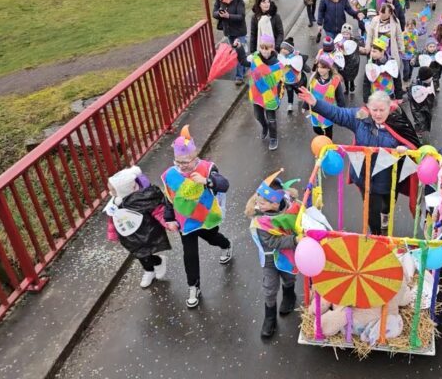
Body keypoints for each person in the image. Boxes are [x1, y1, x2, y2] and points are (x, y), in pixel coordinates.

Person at [297, 89, 420, 234]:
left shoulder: (398, 122)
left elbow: (412, 145)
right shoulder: (360, 117)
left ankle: (385, 215)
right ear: (368, 108)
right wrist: (316, 103)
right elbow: (338, 114)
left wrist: (404, 148)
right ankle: (376, 235)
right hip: (364, 176)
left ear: (390, 108)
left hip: (388, 177)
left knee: (388, 201)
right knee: (371, 211)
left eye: (382, 110)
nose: (378, 114)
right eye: (374, 110)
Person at [161, 126, 232, 308]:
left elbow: (224, 184)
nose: (182, 165)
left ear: (195, 156)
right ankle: (193, 286)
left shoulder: (207, 168)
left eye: (186, 161)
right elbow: (169, 199)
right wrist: (169, 219)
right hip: (185, 222)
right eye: (178, 161)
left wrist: (208, 181)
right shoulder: (170, 175)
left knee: (213, 238)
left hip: (206, 218)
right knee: (189, 254)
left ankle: (226, 245)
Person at [245, 169, 302, 338]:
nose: (257, 205)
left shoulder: (291, 208)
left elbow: (299, 219)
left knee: (289, 276)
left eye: (262, 203)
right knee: (269, 287)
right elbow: (273, 242)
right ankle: (270, 316)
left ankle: (289, 295)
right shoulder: (261, 222)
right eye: (258, 201)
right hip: (270, 258)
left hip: (287, 254)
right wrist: (294, 240)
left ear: (276, 204)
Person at [105, 166, 170, 288]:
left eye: (113, 191)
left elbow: (158, 210)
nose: (110, 194)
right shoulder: (116, 202)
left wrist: (168, 222)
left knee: (146, 252)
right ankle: (149, 270)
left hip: (147, 230)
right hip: (130, 233)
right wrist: (113, 234)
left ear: (123, 190)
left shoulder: (143, 197)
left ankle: (158, 261)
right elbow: (113, 219)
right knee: (139, 253)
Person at [237, 34, 285, 150]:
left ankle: (273, 138)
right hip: (257, 94)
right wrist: (239, 48)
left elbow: (280, 82)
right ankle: (265, 127)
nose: (264, 51)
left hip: (270, 97)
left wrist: (279, 98)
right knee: (258, 116)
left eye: (267, 48)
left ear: (272, 47)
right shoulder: (255, 58)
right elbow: (243, 61)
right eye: (262, 48)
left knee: (271, 120)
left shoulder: (277, 65)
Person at [362, 2, 405, 100]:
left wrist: (401, 48)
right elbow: (369, 35)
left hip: (390, 51)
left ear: (390, 13)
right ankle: (376, 90)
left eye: (383, 13)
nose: (381, 14)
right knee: (374, 71)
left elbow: (399, 35)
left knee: (392, 72)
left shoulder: (395, 21)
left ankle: (392, 91)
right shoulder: (375, 20)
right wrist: (368, 46)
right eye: (380, 12)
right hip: (377, 51)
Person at [213, 0, 248, 86]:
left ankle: (239, 77)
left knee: (238, 52)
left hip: (239, 31)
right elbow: (213, 13)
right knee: (235, 53)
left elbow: (241, 16)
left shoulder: (238, 0)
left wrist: (228, 16)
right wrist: (219, 13)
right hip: (229, 31)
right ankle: (244, 68)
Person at [307, 52, 347, 138]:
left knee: (328, 132)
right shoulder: (313, 79)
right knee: (316, 129)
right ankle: (323, 138)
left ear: (329, 68)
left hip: (329, 111)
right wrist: (305, 105)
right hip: (315, 110)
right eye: (318, 67)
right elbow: (309, 92)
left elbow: (340, 98)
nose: (320, 70)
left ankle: (328, 146)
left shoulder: (335, 81)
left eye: (323, 67)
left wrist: (342, 113)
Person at [363, 36, 400, 101]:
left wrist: (399, 96)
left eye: (374, 51)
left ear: (382, 51)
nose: (371, 54)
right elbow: (366, 82)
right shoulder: (370, 64)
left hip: (389, 95)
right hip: (375, 96)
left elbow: (397, 80)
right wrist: (366, 99)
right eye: (371, 51)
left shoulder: (391, 63)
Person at [279, 38, 310, 113]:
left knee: (299, 92)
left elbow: (303, 66)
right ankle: (290, 104)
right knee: (289, 92)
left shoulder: (297, 57)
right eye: (282, 48)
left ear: (290, 50)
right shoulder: (281, 57)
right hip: (287, 80)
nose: (282, 50)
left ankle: (304, 102)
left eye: (285, 49)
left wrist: (308, 69)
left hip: (298, 81)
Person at [407, 66, 435, 141]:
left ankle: (421, 131)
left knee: (426, 118)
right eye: (430, 77)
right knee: (419, 120)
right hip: (417, 107)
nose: (431, 79)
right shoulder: (415, 86)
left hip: (425, 105)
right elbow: (412, 95)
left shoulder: (428, 82)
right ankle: (417, 134)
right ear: (425, 78)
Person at [336, 23, 362, 94]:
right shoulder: (340, 41)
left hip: (352, 62)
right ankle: (347, 89)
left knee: (352, 74)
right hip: (344, 62)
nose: (345, 35)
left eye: (347, 34)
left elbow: (354, 49)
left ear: (350, 35)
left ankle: (352, 84)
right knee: (345, 76)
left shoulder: (354, 41)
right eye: (344, 34)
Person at [401, 18, 426, 84]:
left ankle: (409, 78)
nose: (410, 28)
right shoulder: (403, 34)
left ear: (414, 26)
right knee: (406, 69)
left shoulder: (416, 32)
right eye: (408, 26)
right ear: (406, 27)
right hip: (405, 55)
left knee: (411, 68)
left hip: (413, 54)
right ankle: (405, 79)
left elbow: (423, 31)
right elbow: (398, 41)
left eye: (412, 27)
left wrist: (423, 24)